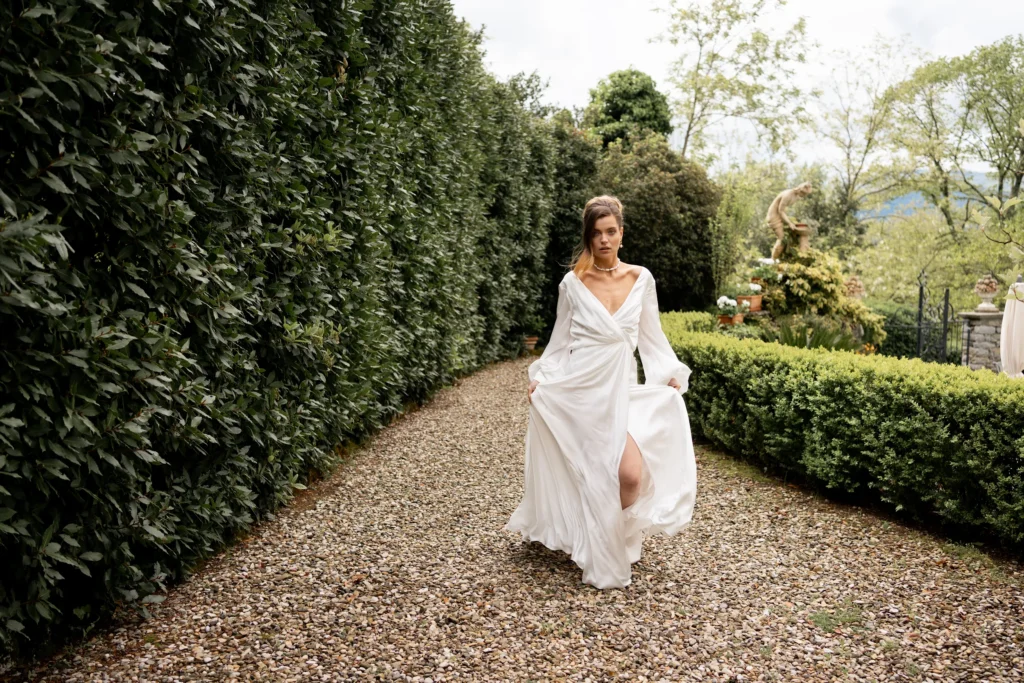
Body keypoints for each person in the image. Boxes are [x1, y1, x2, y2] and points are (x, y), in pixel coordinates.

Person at [505, 195, 698, 589]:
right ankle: (594, 539)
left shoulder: (641, 279)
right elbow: (559, 343)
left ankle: (607, 532)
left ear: (622, 235)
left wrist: (667, 373)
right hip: (580, 392)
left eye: (611, 232)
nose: (604, 240)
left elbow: (651, 338)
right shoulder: (573, 283)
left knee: (629, 475)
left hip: (621, 391)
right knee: (592, 473)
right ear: (589, 238)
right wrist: (543, 375)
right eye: (597, 233)